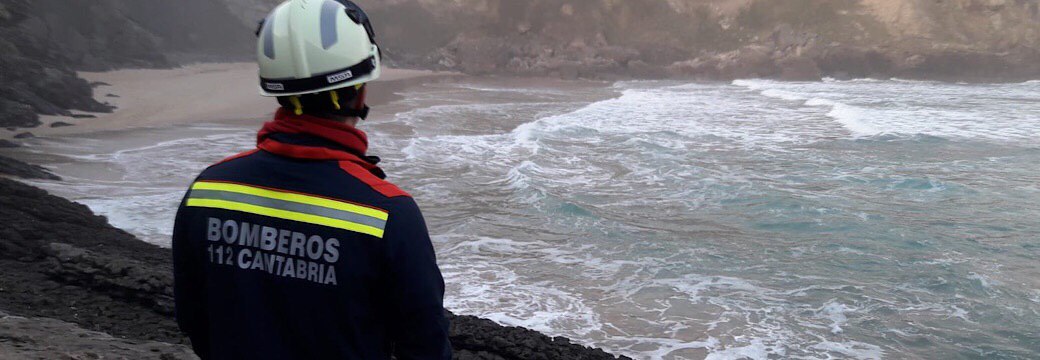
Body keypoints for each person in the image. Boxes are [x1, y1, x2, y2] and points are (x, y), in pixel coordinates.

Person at [171, 0, 452, 358]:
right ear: (361, 88)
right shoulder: (388, 214)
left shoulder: (206, 192)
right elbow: (426, 348)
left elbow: (195, 320)